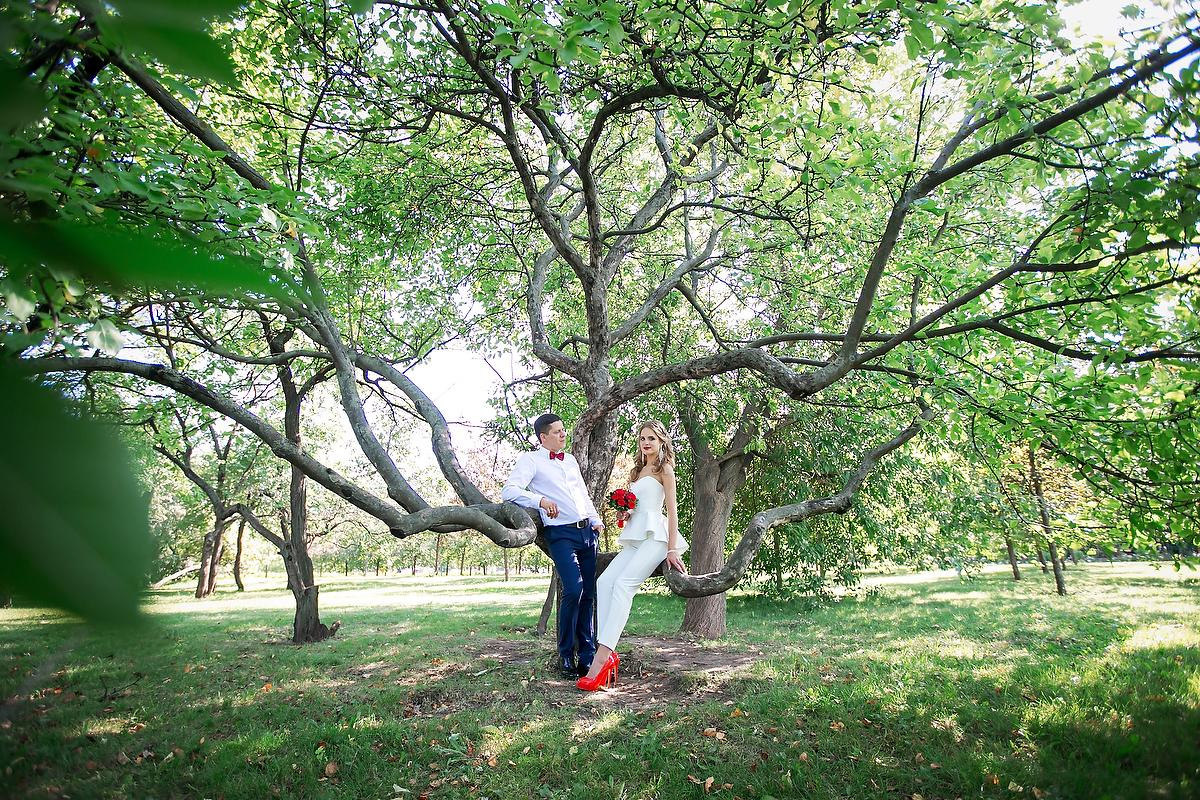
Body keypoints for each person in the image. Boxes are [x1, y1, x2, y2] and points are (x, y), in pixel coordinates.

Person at [578, 420, 687, 691]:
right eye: (642, 438)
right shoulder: (637, 471)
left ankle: (601, 658)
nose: (646, 442)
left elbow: (672, 512)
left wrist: (672, 549)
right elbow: (637, 508)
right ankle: (606, 652)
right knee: (604, 583)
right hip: (635, 535)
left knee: (624, 585)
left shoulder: (666, 470)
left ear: (662, 440)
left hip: (656, 538)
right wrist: (624, 513)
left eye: (651, 438)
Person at [502, 413, 604, 678]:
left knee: (589, 595)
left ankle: (588, 655)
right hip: (560, 534)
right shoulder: (531, 460)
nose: (563, 435)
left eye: (563, 430)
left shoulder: (569, 461)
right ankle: (566, 654)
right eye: (557, 432)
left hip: (587, 534)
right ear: (543, 437)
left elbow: (582, 494)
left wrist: (595, 519)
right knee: (573, 589)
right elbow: (510, 491)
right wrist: (540, 500)